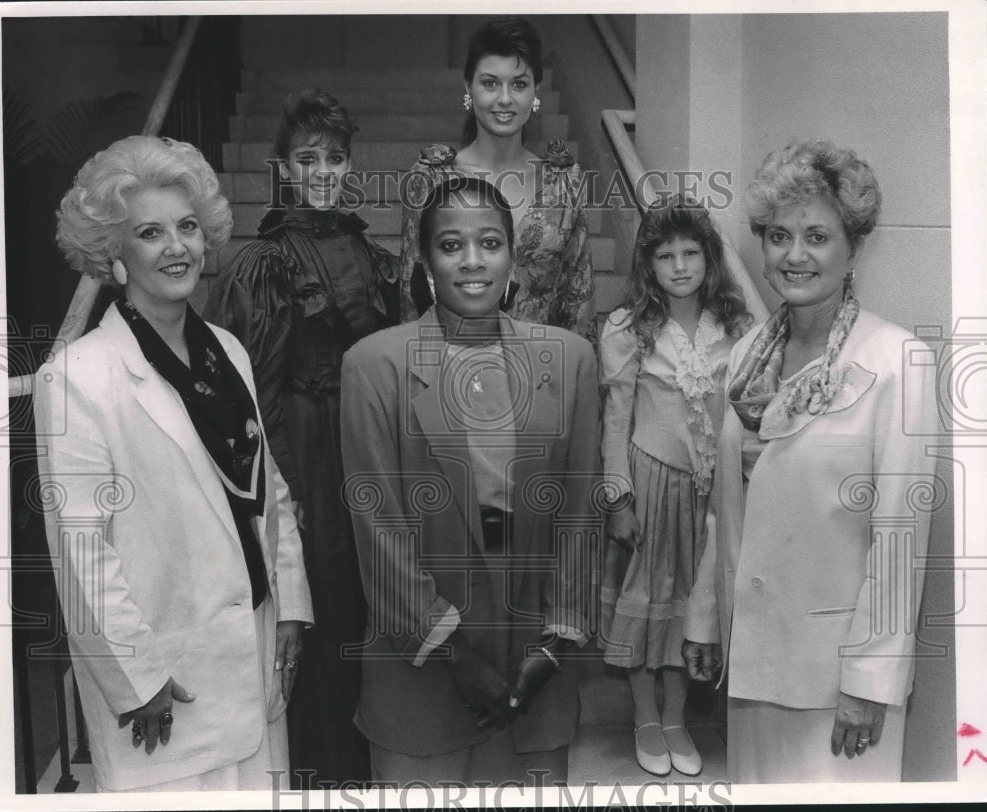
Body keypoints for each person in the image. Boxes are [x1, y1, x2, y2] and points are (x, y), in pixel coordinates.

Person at [35, 135, 313, 792]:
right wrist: (137, 681)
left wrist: (293, 604)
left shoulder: (229, 350)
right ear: (115, 254)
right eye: (151, 232)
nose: (178, 247)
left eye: (188, 227)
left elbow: (266, 489)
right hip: (166, 691)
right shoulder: (78, 377)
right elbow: (81, 552)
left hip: (252, 651)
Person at [681, 141, 938, 782]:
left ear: (853, 246)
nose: (794, 255)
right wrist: (705, 620)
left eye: (817, 236)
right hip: (753, 661)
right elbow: (726, 509)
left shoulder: (896, 362)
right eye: (778, 236)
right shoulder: (745, 359)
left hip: (836, 682)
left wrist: (871, 681)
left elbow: (900, 540)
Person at [341, 176, 600, 785]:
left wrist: (556, 643)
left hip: (536, 679)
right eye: (451, 245)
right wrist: (453, 654)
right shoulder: (374, 366)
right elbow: (378, 533)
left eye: (490, 242)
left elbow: (581, 515)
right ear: (425, 261)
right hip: (421, 679)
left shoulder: (570, 361)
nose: (473, 260)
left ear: (513, 257)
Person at [203, 89, 398, 786]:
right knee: (318, 602)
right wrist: (283, 488)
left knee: (375, 596)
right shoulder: (264, 262)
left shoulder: (372, 254)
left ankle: (373, 763)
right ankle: (323, 774)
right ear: (281, 166)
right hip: (306, 448)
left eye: (336, 158)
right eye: (308, 158)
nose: (323, 171)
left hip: (363, 438)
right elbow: (254, 388)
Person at [599, 197, 752, 777]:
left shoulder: (735, 327)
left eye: (691, 253)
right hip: (650, 482)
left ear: (709, 259)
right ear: (648, 264)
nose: (680, 265)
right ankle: (645, 717)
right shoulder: (628, 328)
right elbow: (615, 418)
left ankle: (676, 717)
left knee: (695, 604)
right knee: (650, 603)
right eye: (666, 255)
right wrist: (618, 498)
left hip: (709, 493)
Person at [398, 16, 596, 346]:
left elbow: (579, 304)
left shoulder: (563, 184)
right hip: (450, 372)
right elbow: (410, 299)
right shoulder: (431, 179)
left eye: (518, 84)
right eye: (490, 83)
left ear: (536, 90)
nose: (504, 99)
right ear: (468, 88)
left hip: (538, 373)